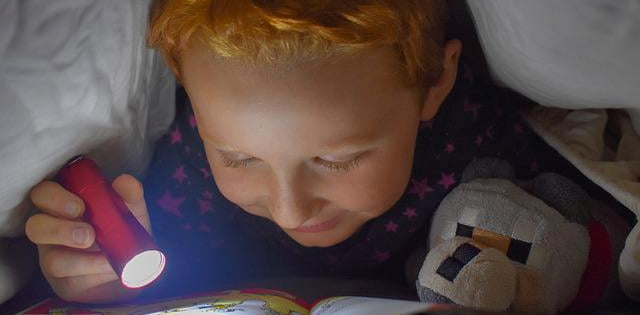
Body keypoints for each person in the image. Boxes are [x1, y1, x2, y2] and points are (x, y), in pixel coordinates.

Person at [23, 0, 593, 304]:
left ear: (435, 83)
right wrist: (98, 283)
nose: (292, 210)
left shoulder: (479, 143)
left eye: (339, 160)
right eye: (240, 159)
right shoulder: (184, 168)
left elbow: (573, 233)